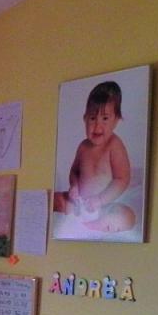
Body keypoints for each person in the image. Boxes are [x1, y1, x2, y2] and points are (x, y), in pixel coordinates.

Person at [53, 81, 136, 233]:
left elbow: (122, 179)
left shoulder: (115, 145)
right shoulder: (83, 146)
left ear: (116, 120)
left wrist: (100, 200)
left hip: (104, 205)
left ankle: (97, 225)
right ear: (84, 118)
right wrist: (74, 186)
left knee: (126, 216)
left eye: (105, 118)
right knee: (54, 199)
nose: (97, 126)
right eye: (92, 118)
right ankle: (79, 219)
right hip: (78, 203)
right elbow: (74, 172)